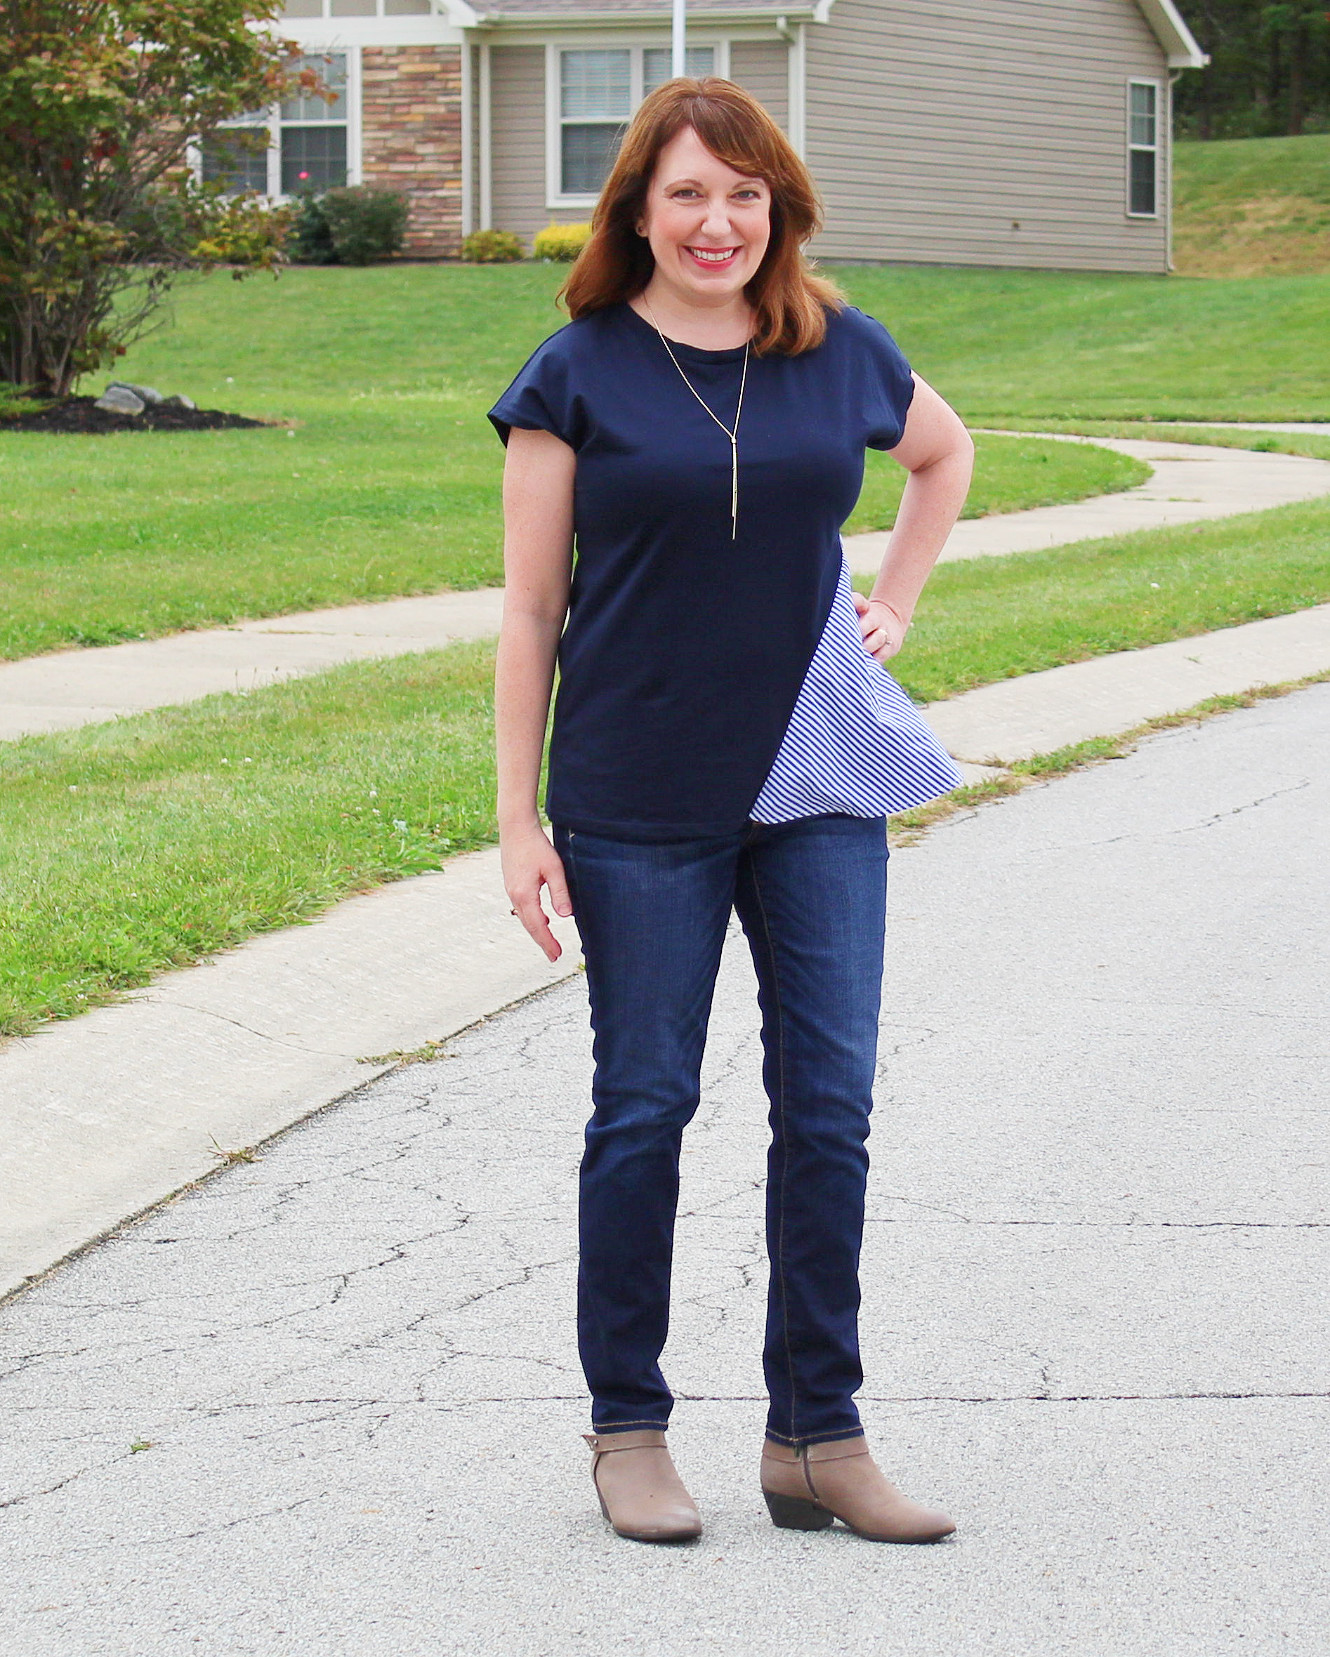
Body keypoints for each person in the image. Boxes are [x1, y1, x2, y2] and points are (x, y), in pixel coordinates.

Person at [489, 78, 973, 1546]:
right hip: (637, 791)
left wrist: (892, 595)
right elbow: (527, 610)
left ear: (780, 209)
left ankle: (816, 1434)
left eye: (745, 195)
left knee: (828, 1111)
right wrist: (517, 821)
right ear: (636, 206)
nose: (718, 222)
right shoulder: (575, 373)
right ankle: (627, 1426)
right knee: (645, 1108)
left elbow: (942, 454)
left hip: (816, 780)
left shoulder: (839, 348)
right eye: (689, 193)